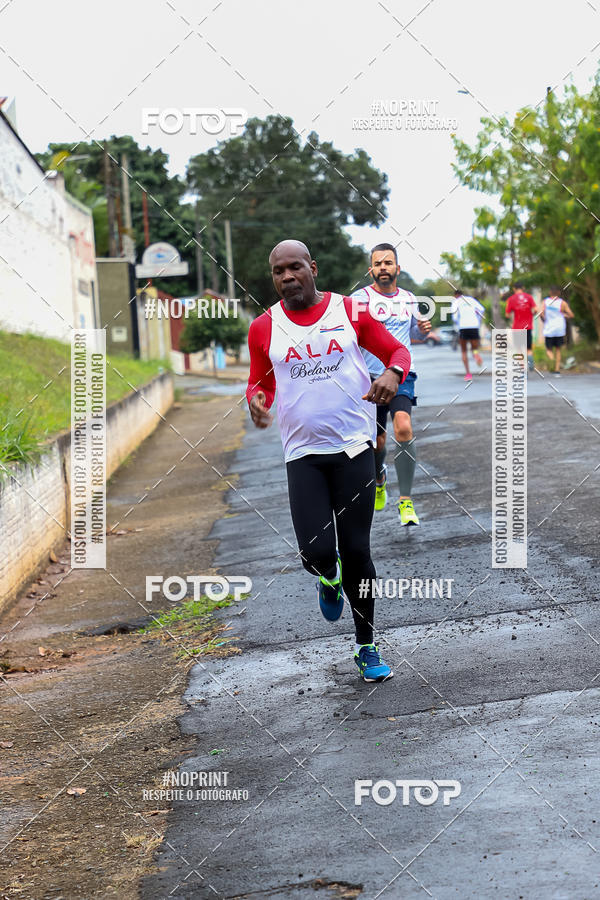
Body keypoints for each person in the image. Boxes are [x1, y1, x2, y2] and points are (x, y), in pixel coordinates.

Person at [246, 240, 411, 682]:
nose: (287, 277)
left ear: (312, 268)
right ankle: (327, 576)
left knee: (357, 550)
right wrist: (257, 402)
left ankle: (366, 645)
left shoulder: (350, 312)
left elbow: (398, 351)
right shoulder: (263, 327)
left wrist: (392, 373)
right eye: (278, 271)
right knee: (317, 553)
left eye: (295, 268)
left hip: (354, 448)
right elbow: (259, 382)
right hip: (303, 455)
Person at [350, 243, 431, 526]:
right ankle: (379, 477)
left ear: (398, 267)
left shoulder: (409, 299)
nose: (383, 267)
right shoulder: (358, 300)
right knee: (377, 442)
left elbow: (411, 338)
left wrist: (422, 330)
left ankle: (406, 502)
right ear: (371, 269)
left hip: (401, 375)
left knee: (404, 427)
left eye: (388, 262)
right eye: (377, 263)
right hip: (369, 379)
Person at [451, 289, 485, 380]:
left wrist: (459, 323)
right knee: (474, 347)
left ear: (455, 295)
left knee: (464, 351)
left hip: (463, 327)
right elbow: (481, 309)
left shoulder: (456, 302)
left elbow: (454, 317)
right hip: (474, 326)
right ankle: (476, 353)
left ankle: (468, 374)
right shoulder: (471, 299)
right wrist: (478, 320)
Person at [540, 287, 575, 375]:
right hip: (560, 329)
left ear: (550, 292)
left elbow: (541, 313)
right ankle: (557, 369)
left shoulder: (545, 302)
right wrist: (564, 314)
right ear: (558, 293)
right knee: (558, 349)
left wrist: (544, 319)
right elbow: (571, 315)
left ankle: (552, 361)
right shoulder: (562, 303)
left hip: (549, 329)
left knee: (548, 349)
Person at [505, 283, 537, 370]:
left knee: (519, 349)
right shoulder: (529, 297)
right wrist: (531, 313)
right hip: (528, 327)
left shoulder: (511, 299)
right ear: (523, 288)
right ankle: (530, 362)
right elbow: (535, 310)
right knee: (529, 348)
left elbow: (507, 315)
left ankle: (522, 368)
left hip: (517, 328)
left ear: (514, 289)